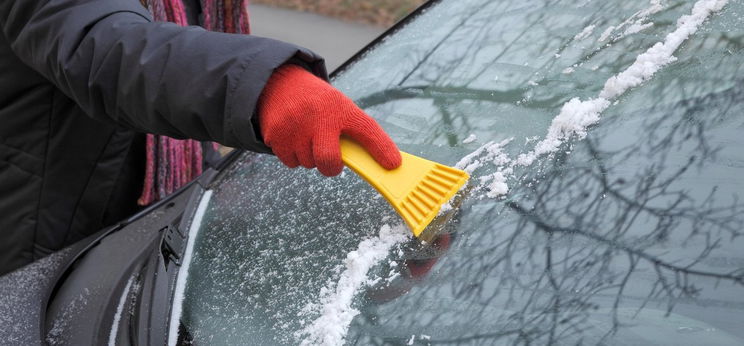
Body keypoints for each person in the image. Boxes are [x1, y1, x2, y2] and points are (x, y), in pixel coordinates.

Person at [0, 0, 402, 275]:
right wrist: (263, 88)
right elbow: (105, 49)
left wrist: (349, 246)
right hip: (46, 255)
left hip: (142, 240)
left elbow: (184, 138)